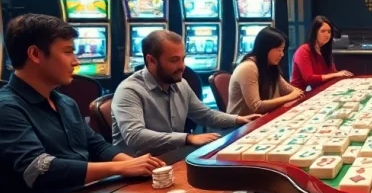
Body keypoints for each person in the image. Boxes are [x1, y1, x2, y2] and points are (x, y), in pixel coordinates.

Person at [0, 14, 164, 193]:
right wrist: (119, 168)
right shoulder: (2, 109)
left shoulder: (64, 102)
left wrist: (137, 164)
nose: (75, 61)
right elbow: (40, 170)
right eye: (68, 52)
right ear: (35, 54)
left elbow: (96, 146)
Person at [112, 30, 261, 156]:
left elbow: (206, 115)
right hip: (135, 172)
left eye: (183, 59)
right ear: (151, 60)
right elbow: (135, 136)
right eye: (174, 60)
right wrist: (187, 138)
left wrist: (239, 119)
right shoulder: (129, 90)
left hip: (172, 157)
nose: (182, 66)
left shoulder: (180, 84)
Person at [227, 27, 305, 116]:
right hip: (242, 126)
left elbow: (289, 90)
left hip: (262, 119)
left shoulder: (270, 66)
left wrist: (296, 93)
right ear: (266, 49)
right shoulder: (248, 67)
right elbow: (256, 106)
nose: (282, 54)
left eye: (282, 50)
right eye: (279, 50)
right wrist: (290, 97)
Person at [290, 15, 353, 90]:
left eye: (329, 32)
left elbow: (332, 72)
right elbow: (309, 78)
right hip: (297, 93)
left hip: (316, 89)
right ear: (315, 32)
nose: (327, 35)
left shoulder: (324, 50)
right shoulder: (303, 50)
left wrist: (340, 74)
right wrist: (336, 74)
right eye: (323, 31)